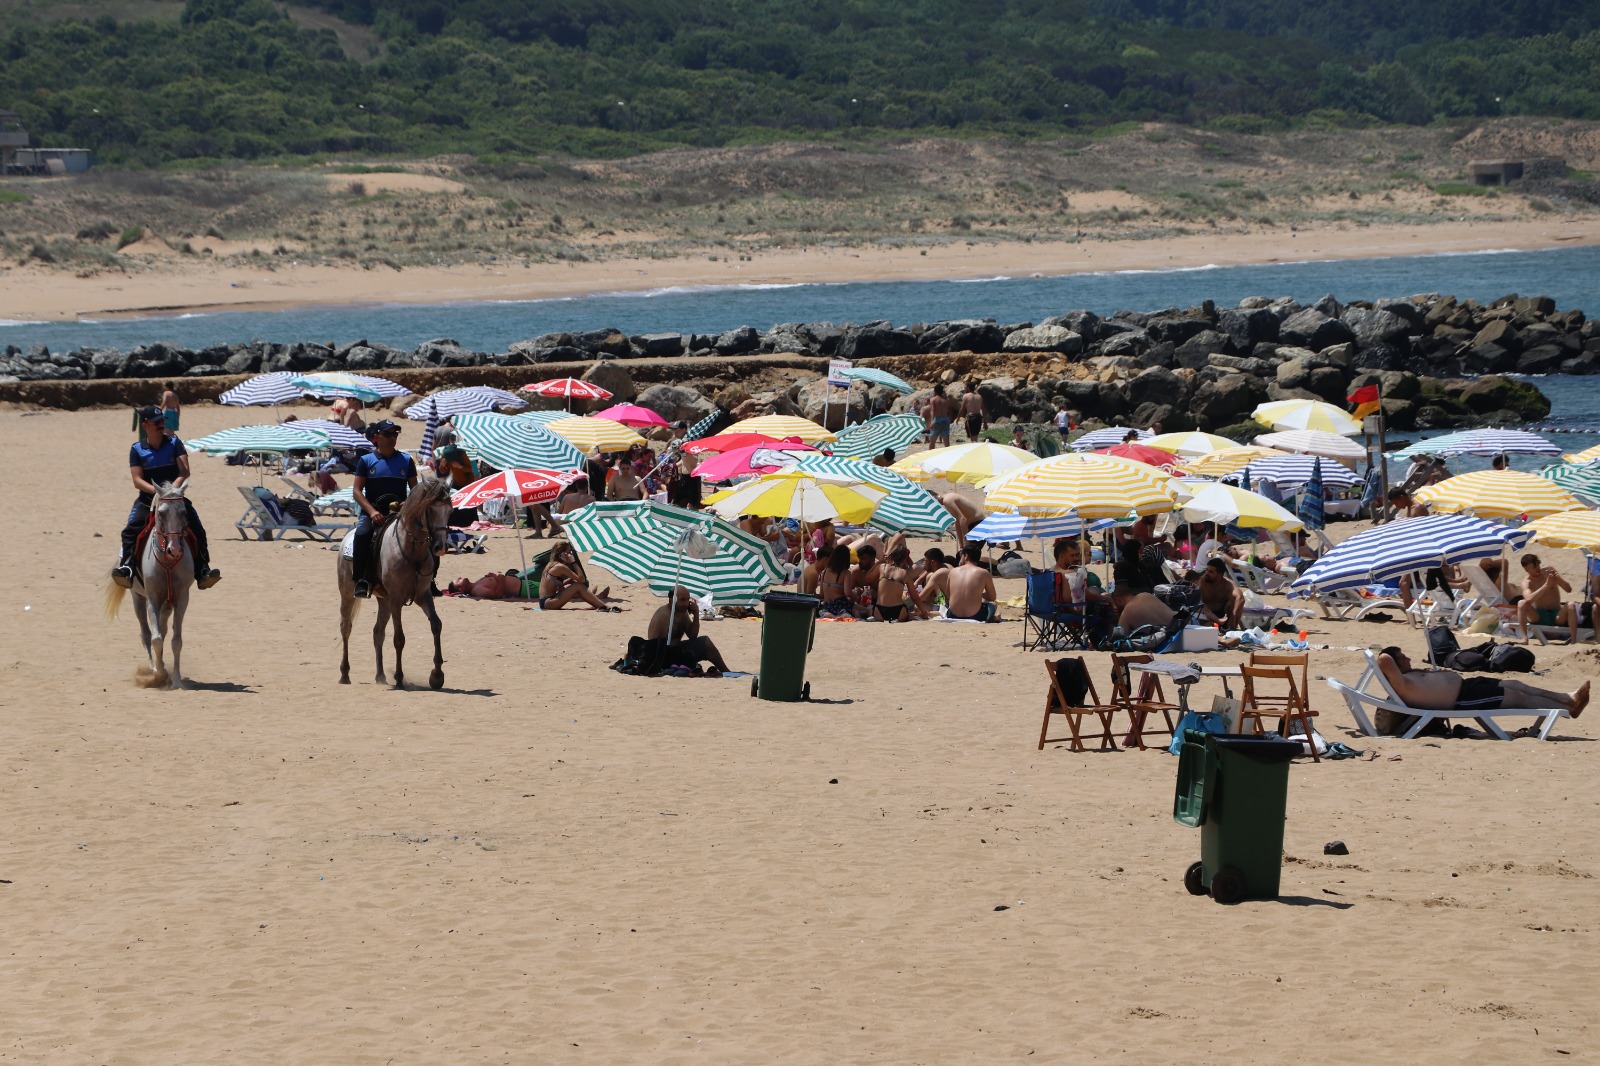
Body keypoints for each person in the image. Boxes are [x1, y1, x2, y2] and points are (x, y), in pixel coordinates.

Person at [112, 405, 220, 589]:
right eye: (156, 423)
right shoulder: (137, 449)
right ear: (145, 425)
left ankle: (202, 570)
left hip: (175, 498)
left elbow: (184, 471)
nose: (161, 425)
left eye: (162, 421)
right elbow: (137, 480)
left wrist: (171, 492)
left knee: (198, 529)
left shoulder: (174, 442)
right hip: (148, 500)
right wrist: (158, 493)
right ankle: (127, 568)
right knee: (130, 531)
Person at [1376, 647, 1588, 721]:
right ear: (1394, 664)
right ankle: (1566, 709)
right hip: (1462, 700)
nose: (1408, 659)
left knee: (1516, 684)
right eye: (1402, 657)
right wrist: (1386, 654)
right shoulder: (1401, 683)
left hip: (1468, 686)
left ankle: (1567, 698)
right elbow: (1383, 658)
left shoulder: (1409, 675)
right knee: (1517, 698)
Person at [349, 419, 418, 598]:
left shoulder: (406, 460)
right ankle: (361, 580)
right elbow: (357, 491)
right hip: (373, 513)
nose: (392, 438)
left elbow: (415, 490)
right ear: (376, 437)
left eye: (395, 434)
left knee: (427, 533)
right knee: (362, 534)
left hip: (400, 513)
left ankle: (428, 579)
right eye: (388, 434)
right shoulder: (366, 461)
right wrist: (372, 512)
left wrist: (407, 503)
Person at [648, 586, 731, 675]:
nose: (686, 603)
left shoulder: (682, 612)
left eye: (688, 599)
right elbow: (655, 646)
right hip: (664, 657)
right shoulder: (663, 616)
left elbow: (692, 635)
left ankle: (726, 672)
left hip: (677, 651)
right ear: (672, 600)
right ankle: (725, 672)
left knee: (705, 642)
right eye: (682, 600)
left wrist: (696, 615)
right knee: (698, 647)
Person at [923, 543, 1000, 622]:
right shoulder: (984, 573)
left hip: (952, 614)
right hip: (975, 616)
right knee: (993, 605)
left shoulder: (952, 572)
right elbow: (992, 597)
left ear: (966, 556)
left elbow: (949, 595)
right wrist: (977, 594)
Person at [538, 543, 616, 611]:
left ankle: (598, 601)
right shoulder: (560, 567)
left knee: (574, 587)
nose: (571, 554)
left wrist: (569, 580)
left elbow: (554, 585)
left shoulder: (551, 564)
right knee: (578, 586)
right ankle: (603, 606)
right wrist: (573, 562)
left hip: (546, 601)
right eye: (569, 552)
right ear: (562, 554)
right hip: (548, 603)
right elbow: (582, 580)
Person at [1515, 553, 1573, 643]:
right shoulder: (1527, 582)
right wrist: (1546, 585)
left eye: (1538, 563)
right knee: (1521, 603)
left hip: (1557, 615)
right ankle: (1524, 637)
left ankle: (1574, 640)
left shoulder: (1548, 572)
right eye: (1533, 566)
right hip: (1539, 616)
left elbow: (1569, 589)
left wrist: (1559, 580)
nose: (1537, 567)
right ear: (1526, 569)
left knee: (1571, 605)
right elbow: (1529, 600)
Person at [875, 546, 924, 621]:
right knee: (910, 615)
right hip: (898, 610)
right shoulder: (905, 573)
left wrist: (879, 562)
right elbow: (914, 597)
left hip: (879, 610)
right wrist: (924, 612)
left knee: (869, 609)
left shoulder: (882, 567)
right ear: (904, 560)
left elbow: (867, 578)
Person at [1196, 557, 1244, 630]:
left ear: (1220, 574)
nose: (1207, 573)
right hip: (1206, 614)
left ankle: (1232, 628)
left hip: (1223, 614)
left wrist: (1233, 616)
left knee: (1236, 602)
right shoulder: (1201, 582)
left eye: (1211, 572)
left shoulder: (1228, 584)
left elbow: (1240, 598)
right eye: (1207, 570)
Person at [1109, 586, 1176, 634]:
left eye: (1114, 604)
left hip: (1168, 638)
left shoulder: (1126, 612)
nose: (1115, 608)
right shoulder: (1147, 595)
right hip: (1179, 628)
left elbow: (1117, 637)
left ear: (1118, 600)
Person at [816, 544, 857, 618]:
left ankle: (829, 615)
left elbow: (821, 594)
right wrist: (856, 596)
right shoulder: (846, 573)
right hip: (840, 606)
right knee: (859, 610)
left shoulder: (825, 571)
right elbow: (848, 593)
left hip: (827, 606)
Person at [446, 570, 527, 600]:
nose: (460, 577)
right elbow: (497, 595)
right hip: (524, 589)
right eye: (458, 580)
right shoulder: (477, 590)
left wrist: (493, 576)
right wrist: (501, 580)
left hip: (523, 584)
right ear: (461, 589)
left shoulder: (475, 584)